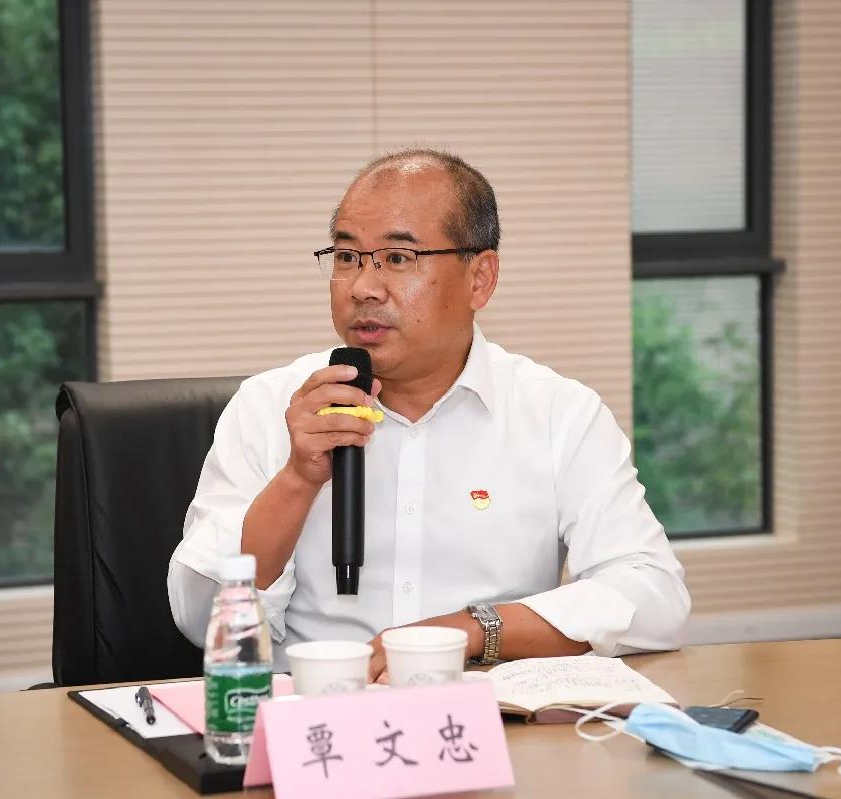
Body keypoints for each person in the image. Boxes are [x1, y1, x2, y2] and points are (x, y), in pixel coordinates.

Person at [168, 148, 691, 678]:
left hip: (488, 714)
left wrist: (472, 630)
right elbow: (198, 619)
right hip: (314, 711)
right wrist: (297, 481)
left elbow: (653, 595)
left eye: (398, 259)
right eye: (347, 257)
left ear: (480, 278)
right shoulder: (266, 406)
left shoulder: (559, 414)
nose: (363, 288)